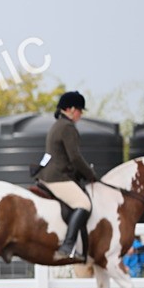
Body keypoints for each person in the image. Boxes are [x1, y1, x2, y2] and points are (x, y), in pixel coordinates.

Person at [35, 90, 99, 260]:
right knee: (84, 204)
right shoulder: (68, 127)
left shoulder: (57, 125)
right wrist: (90, 174)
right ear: (70, 109)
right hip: (57, 177)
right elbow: (75, 157)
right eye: (79, 109)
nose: (81, 113)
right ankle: (67, 246)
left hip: (48, 174)